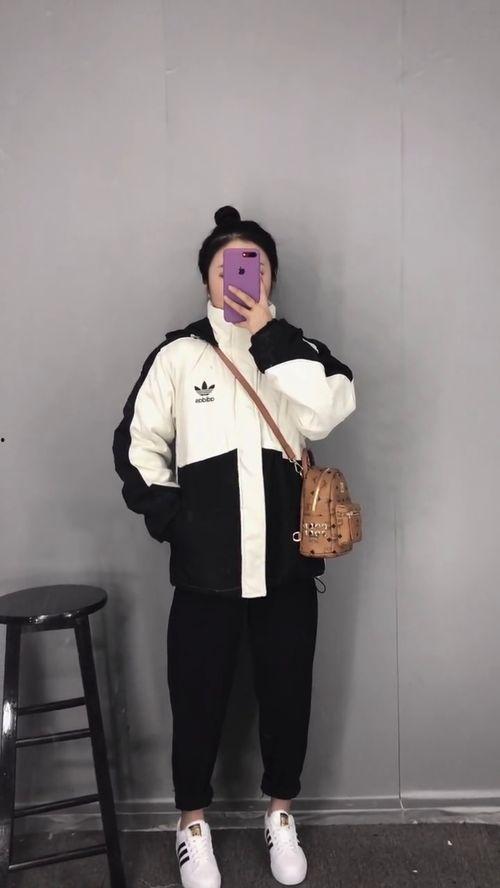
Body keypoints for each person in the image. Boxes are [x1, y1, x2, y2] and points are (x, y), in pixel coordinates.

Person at [112, 205, 356, 888]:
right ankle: (191, 823)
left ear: (270, 277)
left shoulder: (300, 353)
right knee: (196, 701)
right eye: (227, 267)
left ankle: (281, 814)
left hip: (288, 569)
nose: (240, 278)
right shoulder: (177, 356)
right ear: (206, 280)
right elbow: (136, 447)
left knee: (288, 697)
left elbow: (328, 412)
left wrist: (267, 335)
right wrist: (176, 521)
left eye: (254, 266)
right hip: (204, 575)